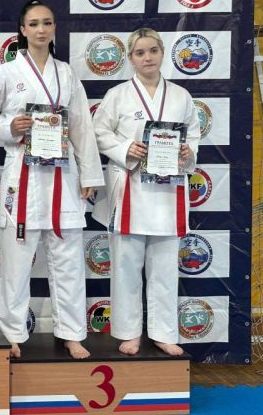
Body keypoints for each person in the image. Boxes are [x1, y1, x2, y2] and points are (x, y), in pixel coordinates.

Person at [0, 0, 103, 359]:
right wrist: (10, 126)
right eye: (33, 24)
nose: (41, 29)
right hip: (24, 175)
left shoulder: (66, 74)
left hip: (63, 174)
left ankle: (72, 333)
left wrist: (89, 174)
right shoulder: (6, 74)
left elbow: (81, 126)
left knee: (68, 259)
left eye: (47, 23)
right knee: (16, 260)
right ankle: (12, 332)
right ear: (22, 30)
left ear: (54, 28)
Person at [92, 27, 199, 356]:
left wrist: (187, 153)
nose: (147, 57)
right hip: (131, 188)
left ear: (162, 52)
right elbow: (99, 131)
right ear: (130, 58)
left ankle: (164, 332)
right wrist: (125, 147)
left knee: (164, 267)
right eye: (140, 53)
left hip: (168, 193)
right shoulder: (118, 94)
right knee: (126, 266)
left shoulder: (181, 96)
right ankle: (129, 332)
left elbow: (193, 134)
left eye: (153, 51)